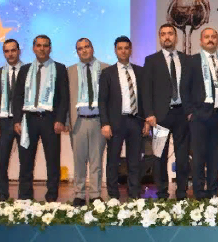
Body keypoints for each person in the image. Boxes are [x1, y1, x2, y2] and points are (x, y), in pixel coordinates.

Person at [12, 34, 70, 202]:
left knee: (52, 160)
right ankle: (25, 197)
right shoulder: (25, 70)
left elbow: (64, 97)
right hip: (28, 120)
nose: (42, 49)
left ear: (50, 48)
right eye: (39, 45)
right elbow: (17, 97)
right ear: (33, 48)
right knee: (26, 160)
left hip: (50, 120)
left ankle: (51, 197)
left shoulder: (59, 68)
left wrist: (60, 119)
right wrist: (17, 120)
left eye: (45, 46)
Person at [181, 27, 218, 199]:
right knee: (198, 157)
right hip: (199, 116)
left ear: (217, 40)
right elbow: (184, 88)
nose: (211, 40)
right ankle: (199, 192)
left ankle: (212, 191)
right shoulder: (192, 61)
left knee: (216, 157)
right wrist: (190, 112)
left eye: (213, 37)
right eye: (207, 37)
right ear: (201, 41)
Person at [143, 23, 190, 200]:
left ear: (176, 37)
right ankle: (162, 193)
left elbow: (191, 87)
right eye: (163, 34)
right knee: (159, 156)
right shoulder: (151, 60)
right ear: (159, 37)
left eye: (170, 33)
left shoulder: (186, 59)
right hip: (160, 116)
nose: (167, 37)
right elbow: (146, 90)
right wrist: (149, 113)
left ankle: (182, 193)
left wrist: (191, 110)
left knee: (183, 157)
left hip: (182, 114)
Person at [99, 36, 148, 200]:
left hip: (136, 121)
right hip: (115, 122)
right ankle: (113, 195)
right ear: (115, 51)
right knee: (113, 160)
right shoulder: (107, 73)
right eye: (120, 48)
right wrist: (105, 123)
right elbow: (102, 100)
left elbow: (145, 98)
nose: (123, 51)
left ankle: (134, 194)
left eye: (126, 48)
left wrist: (146, 120)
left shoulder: (140, 72)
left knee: (135, 161)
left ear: (131, 50)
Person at [67, 38, 108, 205]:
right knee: (79, 160)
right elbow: (65, 97)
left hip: (98, 121)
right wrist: (66, 120)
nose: (84, 50)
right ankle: (79, 193)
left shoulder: (106, 69)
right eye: (80, 48)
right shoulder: (70, 71)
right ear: (77, 52)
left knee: (96, 160)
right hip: (78, 121)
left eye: (86, 47)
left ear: (92, 48)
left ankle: (95, 194)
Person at [0, 38, 26, 202]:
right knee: (1, 161)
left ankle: (24, 197)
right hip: (3, 122)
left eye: (13, 50)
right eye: (7, 51)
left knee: (25, 160)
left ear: (19, 51)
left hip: (24, 122)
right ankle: (1, 196)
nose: (10, 54)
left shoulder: (28, 71)